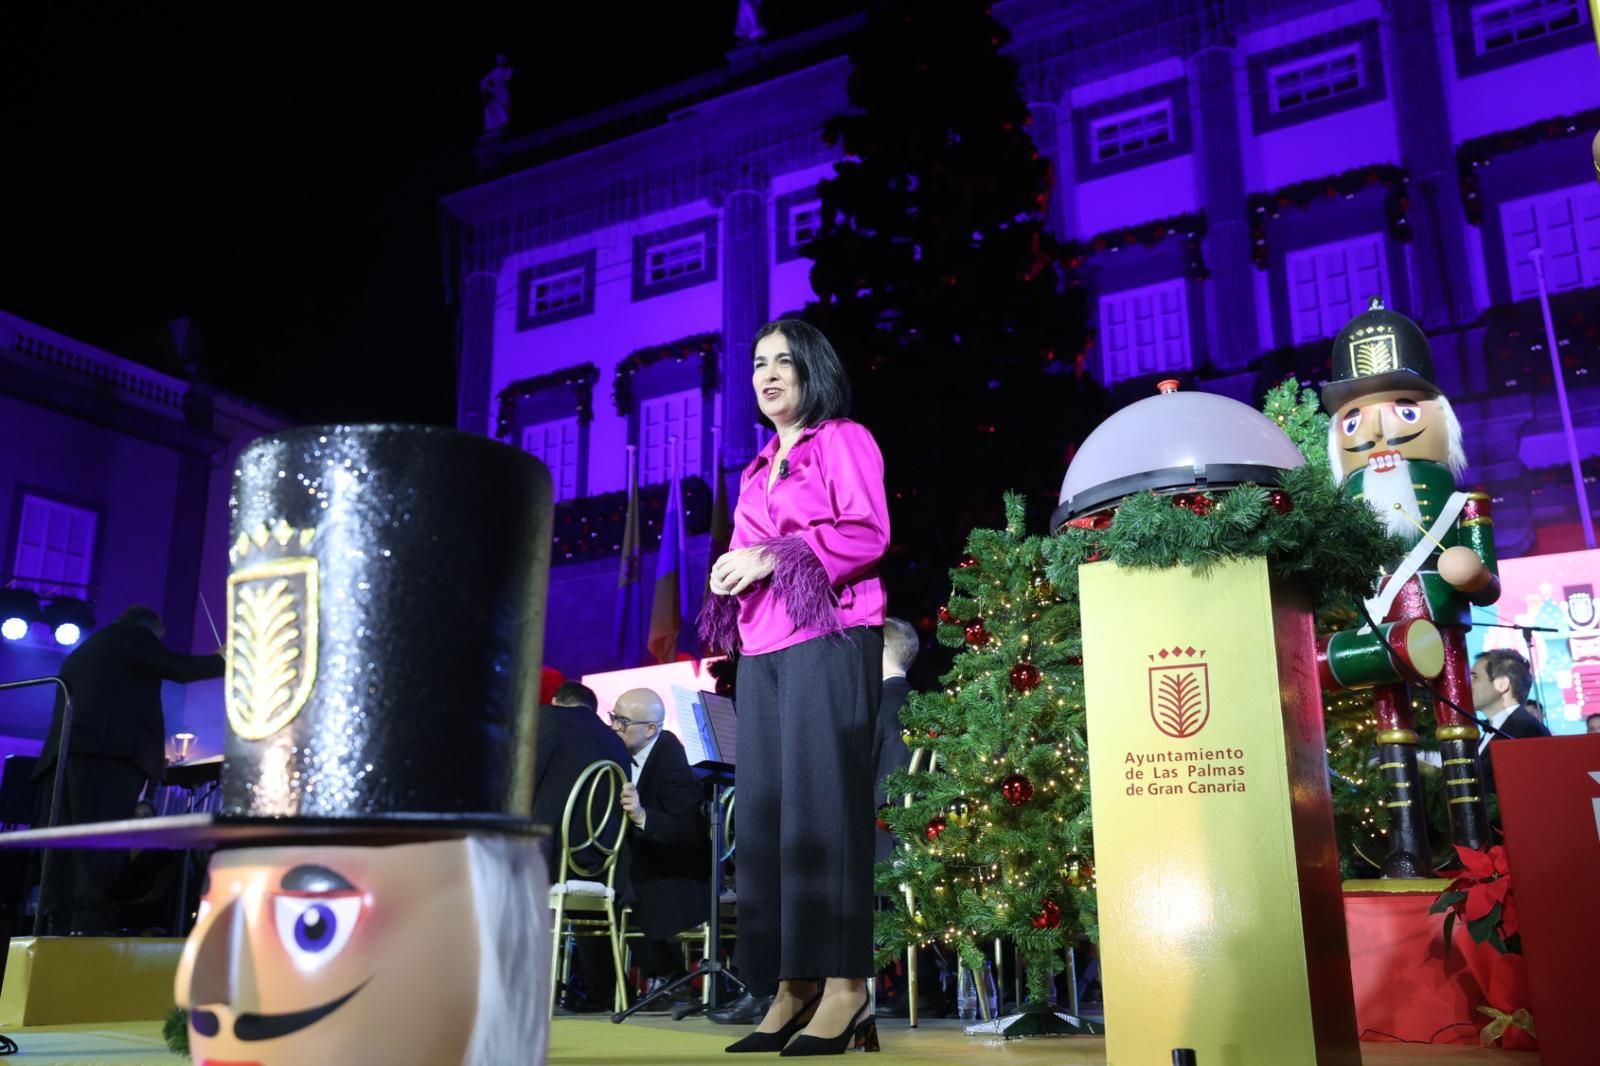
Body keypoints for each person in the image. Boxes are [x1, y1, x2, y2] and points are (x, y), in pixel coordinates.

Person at [700, 318, 889, 1055]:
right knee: (772, 819)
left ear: (813, 370)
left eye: (784, 361)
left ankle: (847, 986)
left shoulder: (843, 438)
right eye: (757, 364)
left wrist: (772, 556)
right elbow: (758, 553)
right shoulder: (753, 469)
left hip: (832, 636)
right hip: (764, 647)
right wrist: (730, 569)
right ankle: (792, 984)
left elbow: (867, 531)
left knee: (825, 813)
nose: (768, 374)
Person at [33, 604, 223, 933]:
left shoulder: (90, 648)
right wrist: (221, 660)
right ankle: (88, 939)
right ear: (153, 628)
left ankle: (55, 935)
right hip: (104, 757)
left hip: (64, 757)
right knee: (98, 855)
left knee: (62, 859)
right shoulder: (133, 636)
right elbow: (177, 667)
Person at [532, 681, 630, 1011]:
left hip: (549, 856)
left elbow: (523, 778)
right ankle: (602, 990)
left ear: (559, 701)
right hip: (602, 859)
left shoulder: (549, 718)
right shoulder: (616, 743)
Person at [612, 688, 710, 1007]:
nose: (614, 727)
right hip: (650, 863)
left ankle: (669, 976)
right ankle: (661, 977)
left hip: (679, 874)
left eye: (622, 722)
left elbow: (690, 833)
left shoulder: (670, 758)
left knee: (620, 887)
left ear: (651, 729)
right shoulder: (626, 753)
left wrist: (642, 816)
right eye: (613, 718)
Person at [1471, 649, 1550, 798]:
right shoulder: (1497, 728)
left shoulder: (1526, 731)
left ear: (1502, 684)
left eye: (1475, 677)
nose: (1467, 683)